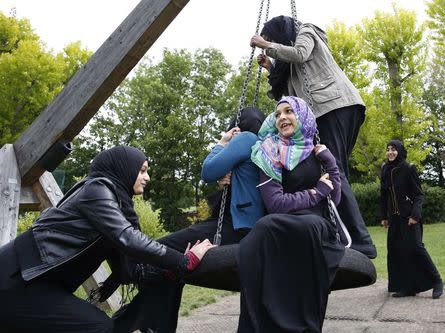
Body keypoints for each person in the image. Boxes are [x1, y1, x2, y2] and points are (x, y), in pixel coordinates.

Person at [0, 145, 215, 333]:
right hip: (16, 279)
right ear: (124, 168)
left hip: (37, 284)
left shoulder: (118, 205)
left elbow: (128, 271)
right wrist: (183, 261)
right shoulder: (97, 189)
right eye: (142, 170)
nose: (147, 177)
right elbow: (128, 238)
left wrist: (167, 271)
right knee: (97, 327)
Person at [116, 107, 267, 333]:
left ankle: (137, 319)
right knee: (171, 266)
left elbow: (207, 170)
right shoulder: (265, 147)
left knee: (160, 251)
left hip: (234, 228)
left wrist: (222, 142)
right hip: (245, 227)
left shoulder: (246, 138)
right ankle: (147, 321)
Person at [249, 15, 377, 258]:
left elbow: (299, 53)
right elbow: (290, 98)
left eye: (273, 39)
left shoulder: (306, 31)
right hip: (328, 109)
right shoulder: (288, 64)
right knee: (335, 171)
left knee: (333, 166)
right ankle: (346, 233)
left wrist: (267, 46)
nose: (272, 44)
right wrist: (271, 68)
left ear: (279, 33)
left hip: (334, 105)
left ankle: (362, 240)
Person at [237, 96, 345, 332]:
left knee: (306, 227)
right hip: (282, 221)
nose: (282, 117)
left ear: (303, 116)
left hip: (318, 224)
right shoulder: (269, 153)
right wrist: (316, 192)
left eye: (289, 112)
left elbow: (334, 199)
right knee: (265, 228)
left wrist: (329, 161)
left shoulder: (317, 152)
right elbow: (275, 203)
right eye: (277, 114)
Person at [380, 140, 443, 299]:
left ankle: (437, 281)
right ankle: (407, 287)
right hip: (394, 218)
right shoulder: (385, 169)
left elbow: (419, 195)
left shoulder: (408, 169)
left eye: (393, 149)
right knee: (397, 251)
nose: (390, 152)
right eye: (388, 150)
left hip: (409, 217)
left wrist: (415, 215)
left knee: (416, 248)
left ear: (400, 151)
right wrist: (383, 216)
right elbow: (383, 195)